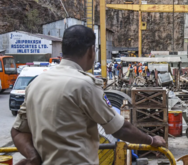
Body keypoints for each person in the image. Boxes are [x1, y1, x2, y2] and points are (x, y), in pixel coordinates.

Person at [11, 25, 165, 165]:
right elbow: (120, 129)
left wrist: (33, 157)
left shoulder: (36, 84)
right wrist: (151, 140)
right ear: (91, 51)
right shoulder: (84, 85)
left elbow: (17, 131)